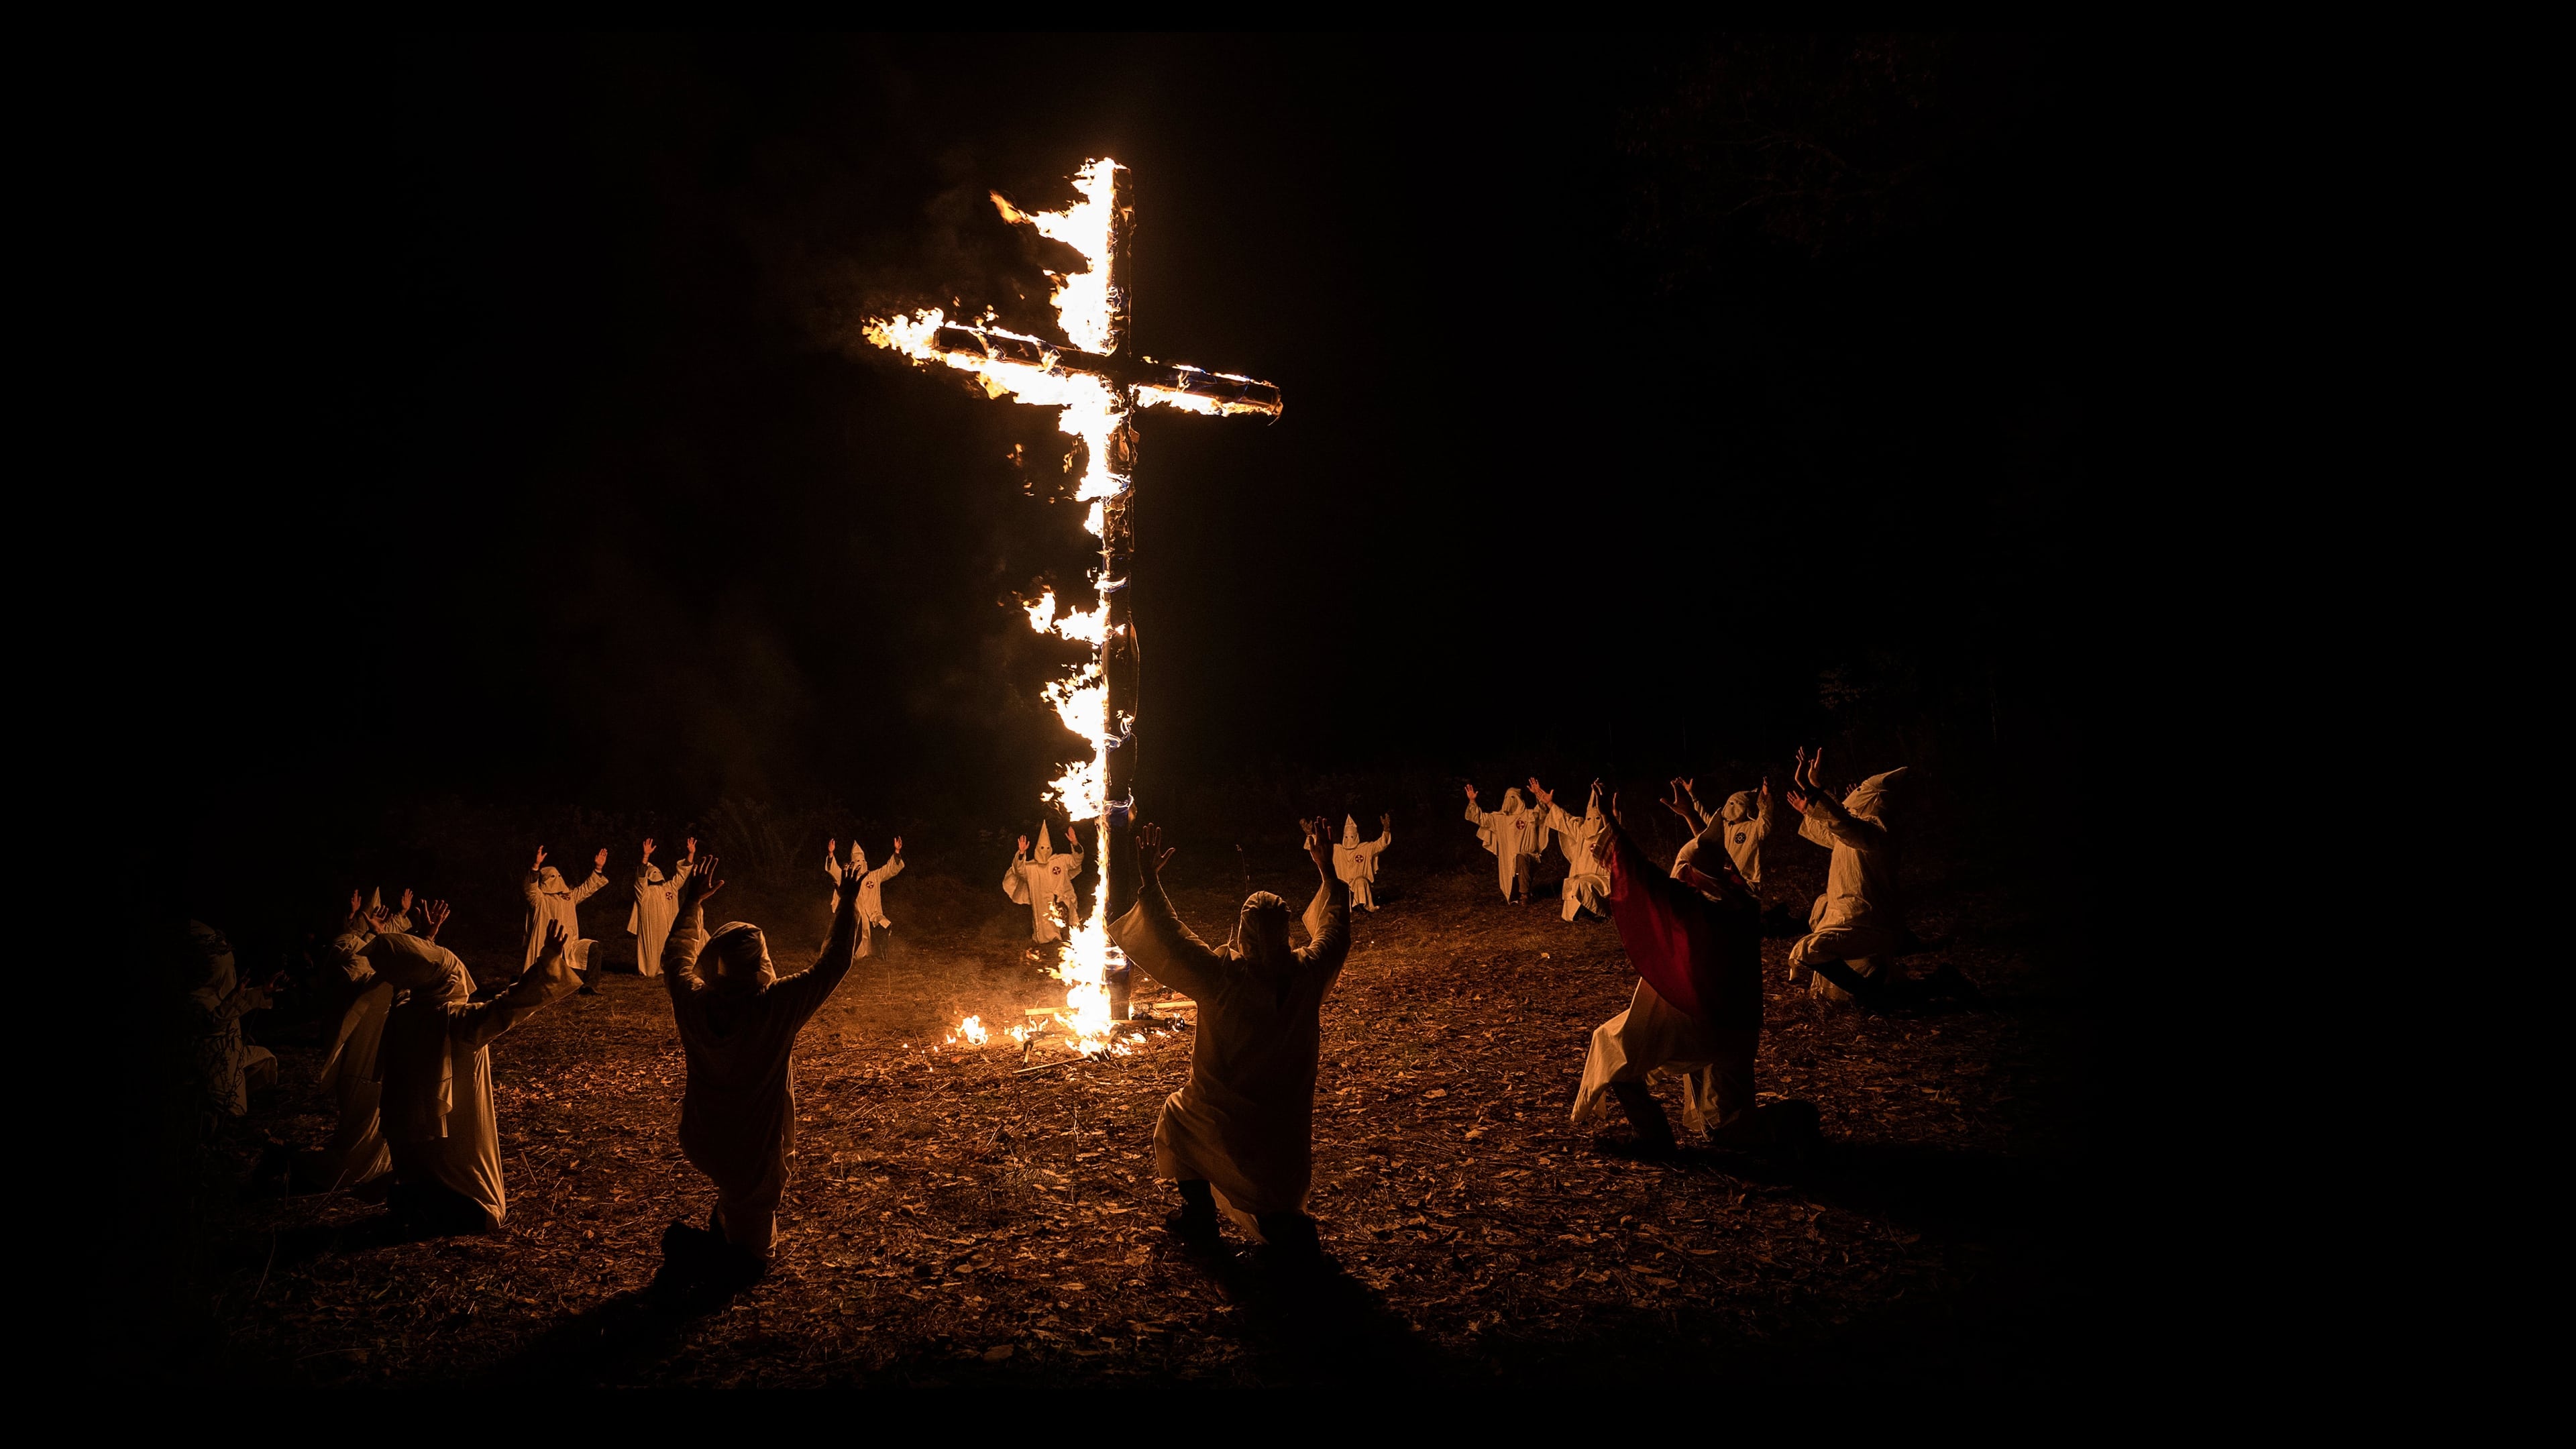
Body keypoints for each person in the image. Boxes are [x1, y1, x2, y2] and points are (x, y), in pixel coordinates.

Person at [1106, 817, 1352, 1266]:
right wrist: (1327, 872)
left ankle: (1201, 1217)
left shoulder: (1224, 979)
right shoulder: (1308, 974)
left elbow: (1171, 938)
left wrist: (1150, 881)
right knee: (1277, 1207)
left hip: (1227, 1122)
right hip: (1286, 1138)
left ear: (1243, 933)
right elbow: (1335, 931)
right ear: (1284, 933)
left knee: (1177, 1117)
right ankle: (1280, 1229)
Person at [656, 854, 867, 1281]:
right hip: (753, 1148)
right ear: (758, 963)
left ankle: (720, 1235)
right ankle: (712, 1255)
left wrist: (692, 903)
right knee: (752, 1256)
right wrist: (847, 903)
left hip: (705, 1135)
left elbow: (676, 957)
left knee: (736, 1197)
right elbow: (833, 963)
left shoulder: (694, 1000)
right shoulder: (773, 1007)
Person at [1572, 781, 1809, 1157]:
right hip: (1737, 1025)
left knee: (1613, 1048)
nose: (1679, 875)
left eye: (1684, 870)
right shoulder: (1741, 899)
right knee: (1722, 1126)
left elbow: (1647, 879)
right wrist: (1691, 817)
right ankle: (1796, 1121)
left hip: (1703, 1021)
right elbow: (1716, 858)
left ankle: (1653, 1136)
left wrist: (1613, 831)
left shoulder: (1696, 907)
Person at [368, 915, 580, 1234]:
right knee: (481, 1210)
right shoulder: (455, 1021)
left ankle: (418, 1199)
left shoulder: (402, 1014)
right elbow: (509, 1006)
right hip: (455, 1152)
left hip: (415, 1156)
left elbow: (406, 983)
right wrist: (548, 961)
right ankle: (442, 1207)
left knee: (425, 1176)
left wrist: (424, 942)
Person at [296, 896, 451, 1194]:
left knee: (383, 1122)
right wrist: (411, 937)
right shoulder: (350, 976)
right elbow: (392, 972)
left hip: (380, 1058)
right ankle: (334, 1170)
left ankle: (381, 1167)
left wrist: (421, 936)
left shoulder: (364, 972)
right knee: (361, 1130)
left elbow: (401, 968)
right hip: (361, 1064)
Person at [1782, 749, 1912, 1007]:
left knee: (1810, 950)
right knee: (1821, 912)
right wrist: (1812, 800)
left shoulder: (1877, 833)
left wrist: (1814, 791)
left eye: (1861, 791)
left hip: (1868, 922)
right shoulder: (1862, 831)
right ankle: (1884, 988)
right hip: (1850, 916)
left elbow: (1843, 824)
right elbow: (1834, 828)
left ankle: (1872, 997)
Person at [523, 844, 608, 990]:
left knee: (594, 947)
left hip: (569, 947)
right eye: (552, 877)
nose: (556, 880)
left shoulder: (569, 897)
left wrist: (598, 868)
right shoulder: (540, 899)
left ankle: (589, 986)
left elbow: (586, 889)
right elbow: (530, 888)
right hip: (548, 949)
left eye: (558, 876)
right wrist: (536, 866)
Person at [1532, 778, 1611, 920]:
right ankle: (1583, 911)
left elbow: (1614, 823)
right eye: (1589, 819)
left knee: (1584, 885)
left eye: (1597, 819)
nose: (1593, 823)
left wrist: (1605, 803)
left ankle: (1598, 912)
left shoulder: (1608, 834)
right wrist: (1549, 803)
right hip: (1582, 877)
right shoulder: (1581, 832)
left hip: (1601, 881)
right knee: (1576, 883)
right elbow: (1563, 819)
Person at [1463, 784, 1548, 904]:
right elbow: (1479, 818)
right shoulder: (1499, 819)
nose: (1510, 801)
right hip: (1508, 859)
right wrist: (1472, 801)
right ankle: (1517, 894)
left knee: (1521, 858)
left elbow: (1542, 811)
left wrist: (1538, 794)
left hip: (1527, 856)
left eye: (1513, 797)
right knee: (1512, 894)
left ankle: (1525, 894)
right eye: (1507, 798)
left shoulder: (1529, 816)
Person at [1001, 823, 1083, 945]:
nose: (1045, 851)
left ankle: (1069, 938)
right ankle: (1050, 942)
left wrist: (1075, 843)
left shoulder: (1060, 861)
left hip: (1062, 898)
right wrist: (1021, 853)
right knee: (1045, 925)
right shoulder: (1031, 868)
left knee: (1066, 916)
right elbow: (1019, 869)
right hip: (1042, 902)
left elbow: (1077, 860)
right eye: (1042, 848)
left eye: (1047, 848)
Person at [824, 835, 905, 956]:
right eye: (857, 861)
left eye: (862, 861)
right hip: (856, 914)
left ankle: (881, 954)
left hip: (873, 913)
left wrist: (897, 852)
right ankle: (855, 955)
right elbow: (834, 871)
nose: (860, 864)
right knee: (856, 933)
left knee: (884, 924)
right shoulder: (849, 877)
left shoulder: (874, 876)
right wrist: (831, 854)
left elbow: (889, 869)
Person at [628, 837, 695, 980]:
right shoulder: (644, 892)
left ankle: (667, 971)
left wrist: (691, 854)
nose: (656, 874)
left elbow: (683, 874)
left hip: (668, 928)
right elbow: (640, 877)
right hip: (651, 929)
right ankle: (649, 970)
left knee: (668, 956)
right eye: (653, 873)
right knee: (651, 966)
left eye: (658, 872)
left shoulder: (670, 887)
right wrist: (646, 856)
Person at [1331, 814, 1393, 912]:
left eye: (1352, 837)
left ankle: (1362, 905)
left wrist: (1386, 829)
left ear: (1356, 836)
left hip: (1358, 881)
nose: (1349, 840)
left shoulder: (1365, 848)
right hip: (1343, 882)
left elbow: (1381, 844)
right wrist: (1310, 835)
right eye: (1346, 837)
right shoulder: (1337, 849)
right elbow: (1321, 847)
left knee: (1361, 881)